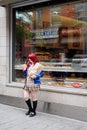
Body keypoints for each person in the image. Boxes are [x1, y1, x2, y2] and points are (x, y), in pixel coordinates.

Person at [22, 53, 44, 117]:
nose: (29, 59)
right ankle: (30, 109)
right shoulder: (28, 64)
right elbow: (25, 74)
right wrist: (24, 70)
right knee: (26, 97)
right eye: (28, 58)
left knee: (34, 97)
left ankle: (33, 111)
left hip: (34, 83)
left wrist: (36, 76)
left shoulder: (38, 65)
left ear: (33, 58)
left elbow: (42, 74)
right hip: (27, 83)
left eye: (30, 58)